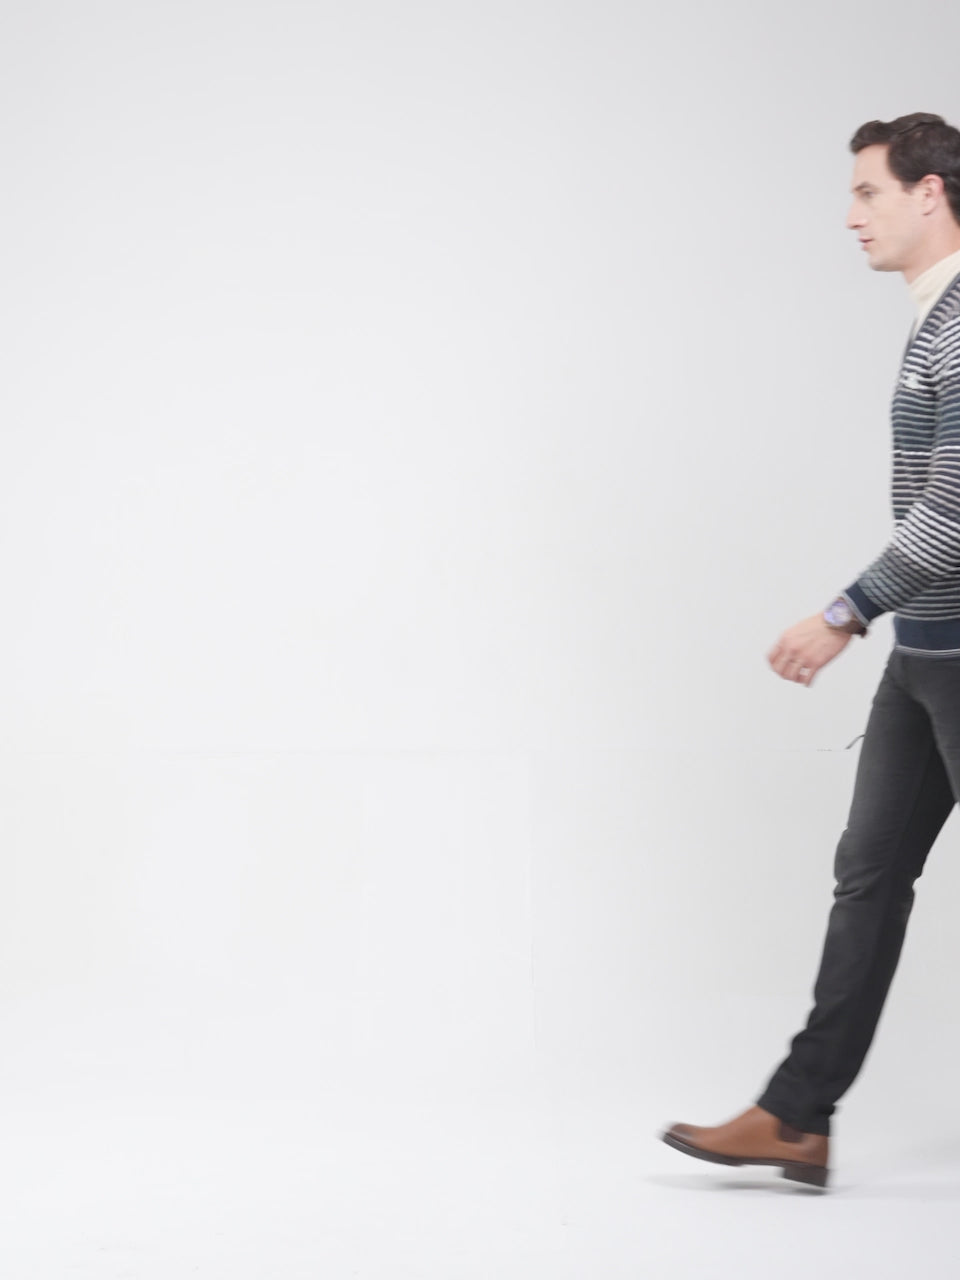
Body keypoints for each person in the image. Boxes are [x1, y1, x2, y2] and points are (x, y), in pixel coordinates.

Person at [660, 112, 960, 1191]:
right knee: (867, 876)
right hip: (928, 654)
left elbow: (955, 511)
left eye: (869, 192)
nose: (851, 216)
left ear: (931, 193)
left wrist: (844, 611)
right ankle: (797, 1116)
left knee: (870, 879)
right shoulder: (935, 319)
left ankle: (797, 1112)